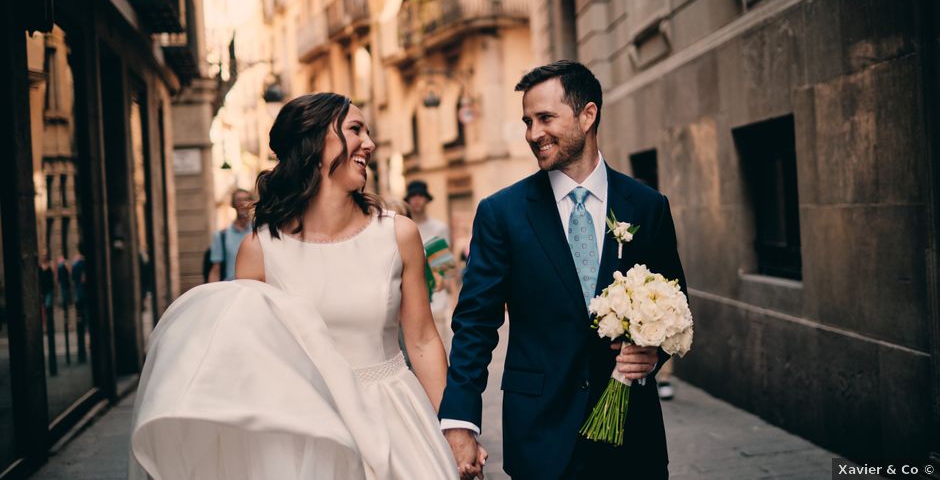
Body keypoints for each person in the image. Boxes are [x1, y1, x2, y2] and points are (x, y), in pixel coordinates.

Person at [130, 93, 478, 479]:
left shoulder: (398, 233)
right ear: (314, 144)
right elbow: (246, 358)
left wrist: (455, 426)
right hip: (305, 428)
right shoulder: (259, 249)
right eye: (354, 130)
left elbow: (423, 340)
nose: (370, 143)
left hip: (394, 417)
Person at [440, 61, 687, 479]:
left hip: (632, 434)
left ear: (588, 115)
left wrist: (651, 352)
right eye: (527, 121)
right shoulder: (502, 213)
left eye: (546, 118)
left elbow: (676, 301)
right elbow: (475, 324)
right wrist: (460, 420)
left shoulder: (647, 206)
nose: (533, 133)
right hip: (541, 434)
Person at [405, 180, 454, 346]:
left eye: (420, 196)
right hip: (410, 305)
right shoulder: (403, 227)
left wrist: (454, 302)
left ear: (426, 199)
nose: (417, 200)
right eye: (413, 196)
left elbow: (446, 268)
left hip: (436, 301)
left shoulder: (438, 228)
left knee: (439, 349)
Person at [207, 188, 253, 282]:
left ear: (251, 203)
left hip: (254, 289)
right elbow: (216, 270)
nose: (243, 203)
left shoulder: (260, 232)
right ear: (233, 204)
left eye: (246, 199)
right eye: (239, 200)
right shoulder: (220, 236)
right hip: (231, 290)